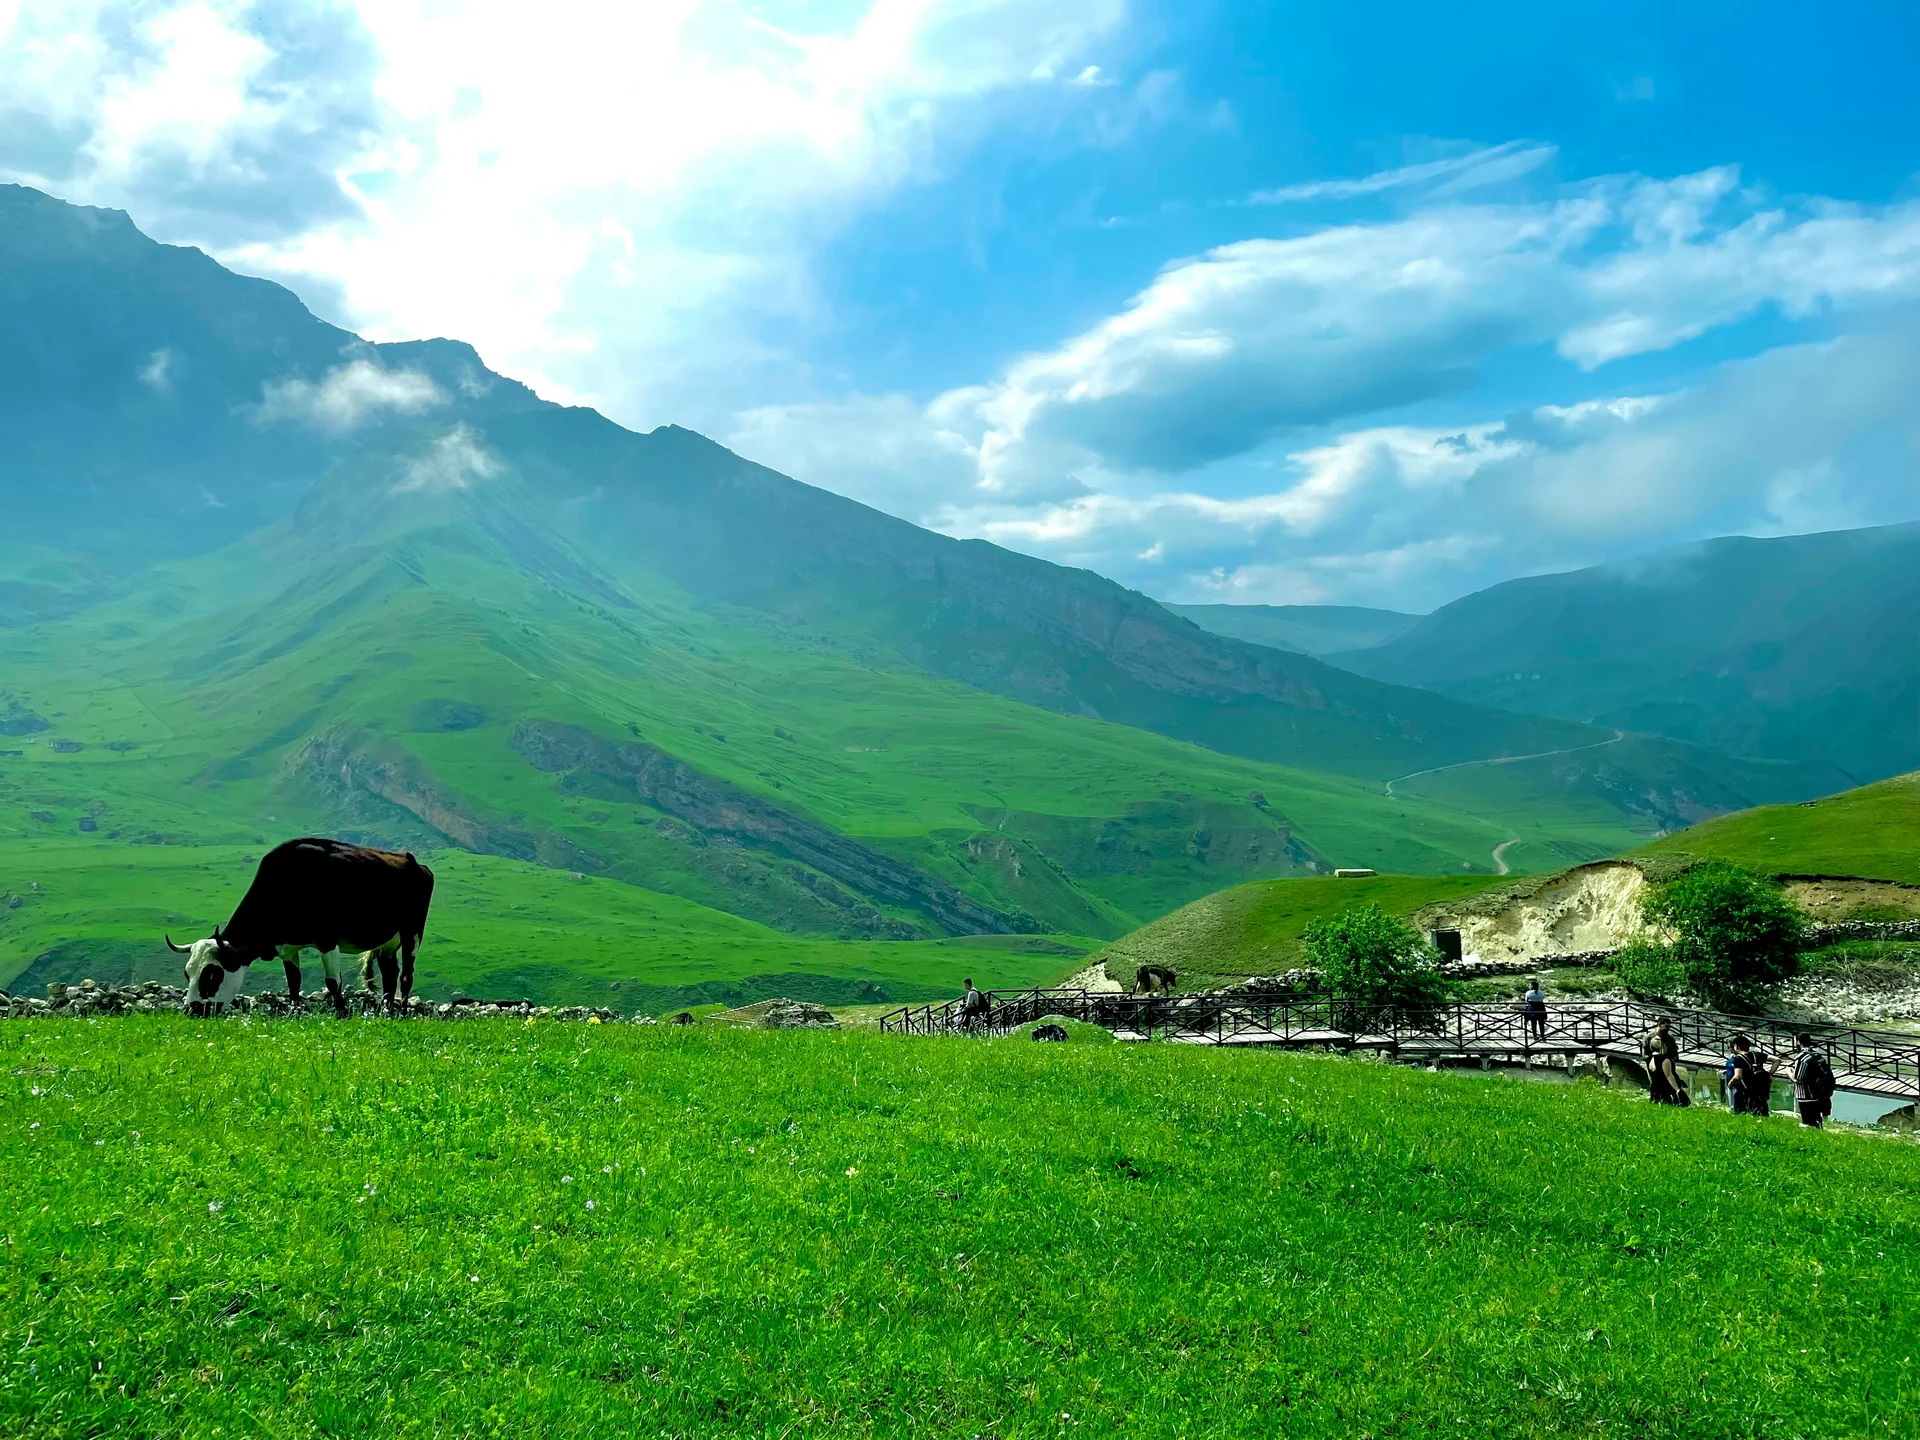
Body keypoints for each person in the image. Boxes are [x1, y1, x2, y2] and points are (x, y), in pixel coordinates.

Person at [1792, 1033, 1837, 1128]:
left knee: (1807, 1123)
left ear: (1798, 1042)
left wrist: (1788, 1071)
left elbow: (1797, 1079)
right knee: (1817, 1121)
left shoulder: (1801, 1057)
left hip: (1805, 1095)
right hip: (1818, 1093)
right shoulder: (1816, 1055)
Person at [1642, 1017, 1687, 1105]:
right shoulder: (1649, 1038)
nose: (1667, 1029)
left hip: (1667, 1065)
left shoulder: (1670, 1039)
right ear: (1659, 1025)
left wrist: (1670, 1060)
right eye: (1666, 1027)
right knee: (1657, 1086)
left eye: (1669, 1027)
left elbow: (1675, 1055)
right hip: (1656, 1066)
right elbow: (1644, 1055)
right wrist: (1655, 1058)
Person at [1725, 1034, 1770, 1116]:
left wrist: (1730, 1083)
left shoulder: (1738, 1059)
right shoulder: (1756, 1054)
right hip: (1760, 1089)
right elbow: (1777, 1060)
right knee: (1761, 1111)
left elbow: (1738, 1076)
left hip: (1746, 1090)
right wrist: (1771, 1073)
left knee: (1741, 1112)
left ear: (1736, 1046)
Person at [1522, 977, 1548, 1042]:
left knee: (1533, 1023)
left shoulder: (1528, 993)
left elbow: (1526, 1001)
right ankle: (1542, 1036)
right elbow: (1541, 999)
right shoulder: (1541, 993)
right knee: (1541, 1023)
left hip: (1532, 1008)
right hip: (1541, 1008)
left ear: (1531, 986)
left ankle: (1535, 1036)